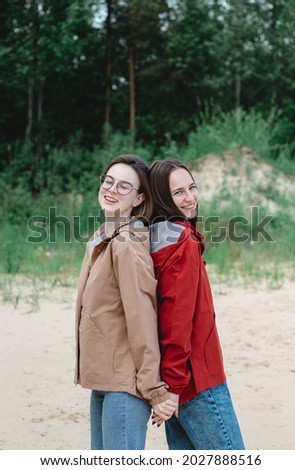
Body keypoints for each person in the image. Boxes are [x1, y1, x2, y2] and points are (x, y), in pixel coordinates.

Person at [74, 155, 176, 450]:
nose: (111, 189)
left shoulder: (127, 243)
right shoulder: (104, 236)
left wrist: (155, 391)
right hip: (104, 379)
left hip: (125, 384)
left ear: (139, 198)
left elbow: (142, 317)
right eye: (108, 181)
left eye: (123, 186)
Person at [149, 158, 245, 450]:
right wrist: (175, 386)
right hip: (197, 380)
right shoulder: (182, 243)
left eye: (192, 187)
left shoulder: (153, 238)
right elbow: (177, 320)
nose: (190, 197)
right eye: (178, 193)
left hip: (172, 379)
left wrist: (169, 385)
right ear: (163, 198)